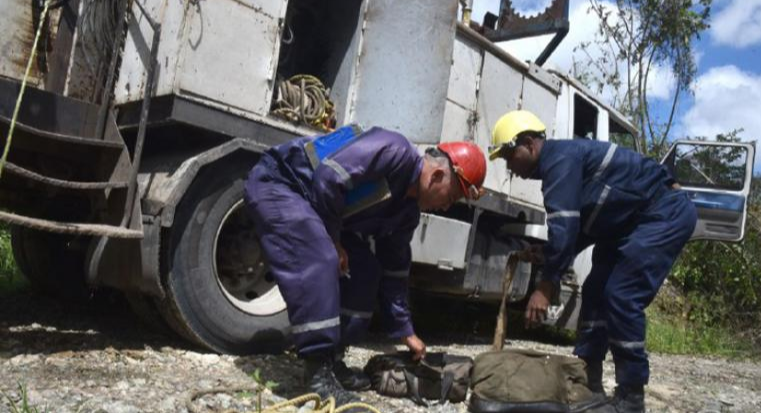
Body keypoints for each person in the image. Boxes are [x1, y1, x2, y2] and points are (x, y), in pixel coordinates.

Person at [245, 125, 486, 406]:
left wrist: (405, 331)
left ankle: (332, 359)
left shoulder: (406, 213)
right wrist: (334, 241)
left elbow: (394, 270)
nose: (447, 206)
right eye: (452, 197)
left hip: (318, 208)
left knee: (366, 270)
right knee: (323, 256)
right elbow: (328, 177)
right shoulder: (395, 151)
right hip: (282, 185)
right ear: (437, 175)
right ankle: (315, 375)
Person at [489, 110, 697, 413]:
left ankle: (631, 397)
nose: (508, 166)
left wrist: (546, 286)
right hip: (626, 224)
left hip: (663, 213)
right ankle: (588, 380)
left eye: (509, 155)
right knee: (596, 291)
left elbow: (566, 228)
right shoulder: (563, 165)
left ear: (530, 144)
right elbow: (580, 229)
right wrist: (548, 255)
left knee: (621, 294)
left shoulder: (559, 161)